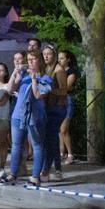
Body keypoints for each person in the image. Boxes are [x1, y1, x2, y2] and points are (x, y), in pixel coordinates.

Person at [4, 49, 52, 187]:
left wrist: (34, 78)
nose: (29, 62)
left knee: (37, 146)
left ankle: (36, 177)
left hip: (35, 117)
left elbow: (38, 95)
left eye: (33, 59)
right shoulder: (23, 74)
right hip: (18, 114)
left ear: (40, 61)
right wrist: (15, 72)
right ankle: (13, 174)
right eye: (28, 59)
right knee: (16, 146)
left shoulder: (46, 78)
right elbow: (9, 89)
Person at [42, 45, 68, 180]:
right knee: (51, 140)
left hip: (57, 108)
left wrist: (49, 90)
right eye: (44, 54)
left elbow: (64, 90)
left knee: (50, 140)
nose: (46, 56)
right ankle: (58, 169)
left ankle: (46, 171)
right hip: (48, 107)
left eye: (49, 54)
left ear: (55, 55)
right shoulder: (46, 68)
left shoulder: (59, 70)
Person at [58, 51, 78, 165]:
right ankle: (62, 152)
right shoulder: (57, 71)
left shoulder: (71, 72)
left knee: (64, 129)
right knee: (59, 129)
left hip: (67, 99)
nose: (60, 60)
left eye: (62, 58)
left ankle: (70, 154)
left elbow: (67, 87)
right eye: (59, 58)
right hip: (57, 100)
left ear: (68, 59)